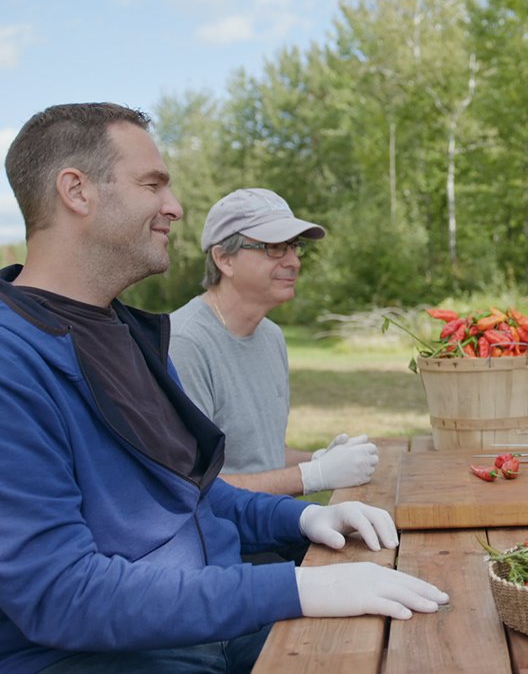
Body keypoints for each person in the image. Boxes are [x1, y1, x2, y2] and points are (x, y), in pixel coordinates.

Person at [0, 102, 448, 674]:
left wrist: (303, 519)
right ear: (77, 191)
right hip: (114, 656)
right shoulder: (14, 361)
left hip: (215, 621)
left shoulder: (131, 335)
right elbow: (59, 596)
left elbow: (194, 492)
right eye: (152, 184)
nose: (174, 207)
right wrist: (295, 590)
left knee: (426, 634)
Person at [170, 188, 377, 498]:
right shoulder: (185, 344)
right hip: (224, 542)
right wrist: (312, 476)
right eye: (275, 247)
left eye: (294, 247)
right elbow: (194, 486)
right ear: (224, 258)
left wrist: (318, 458)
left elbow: (261, 457)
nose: (294, 261)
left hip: (273, 527)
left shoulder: (271, 336)